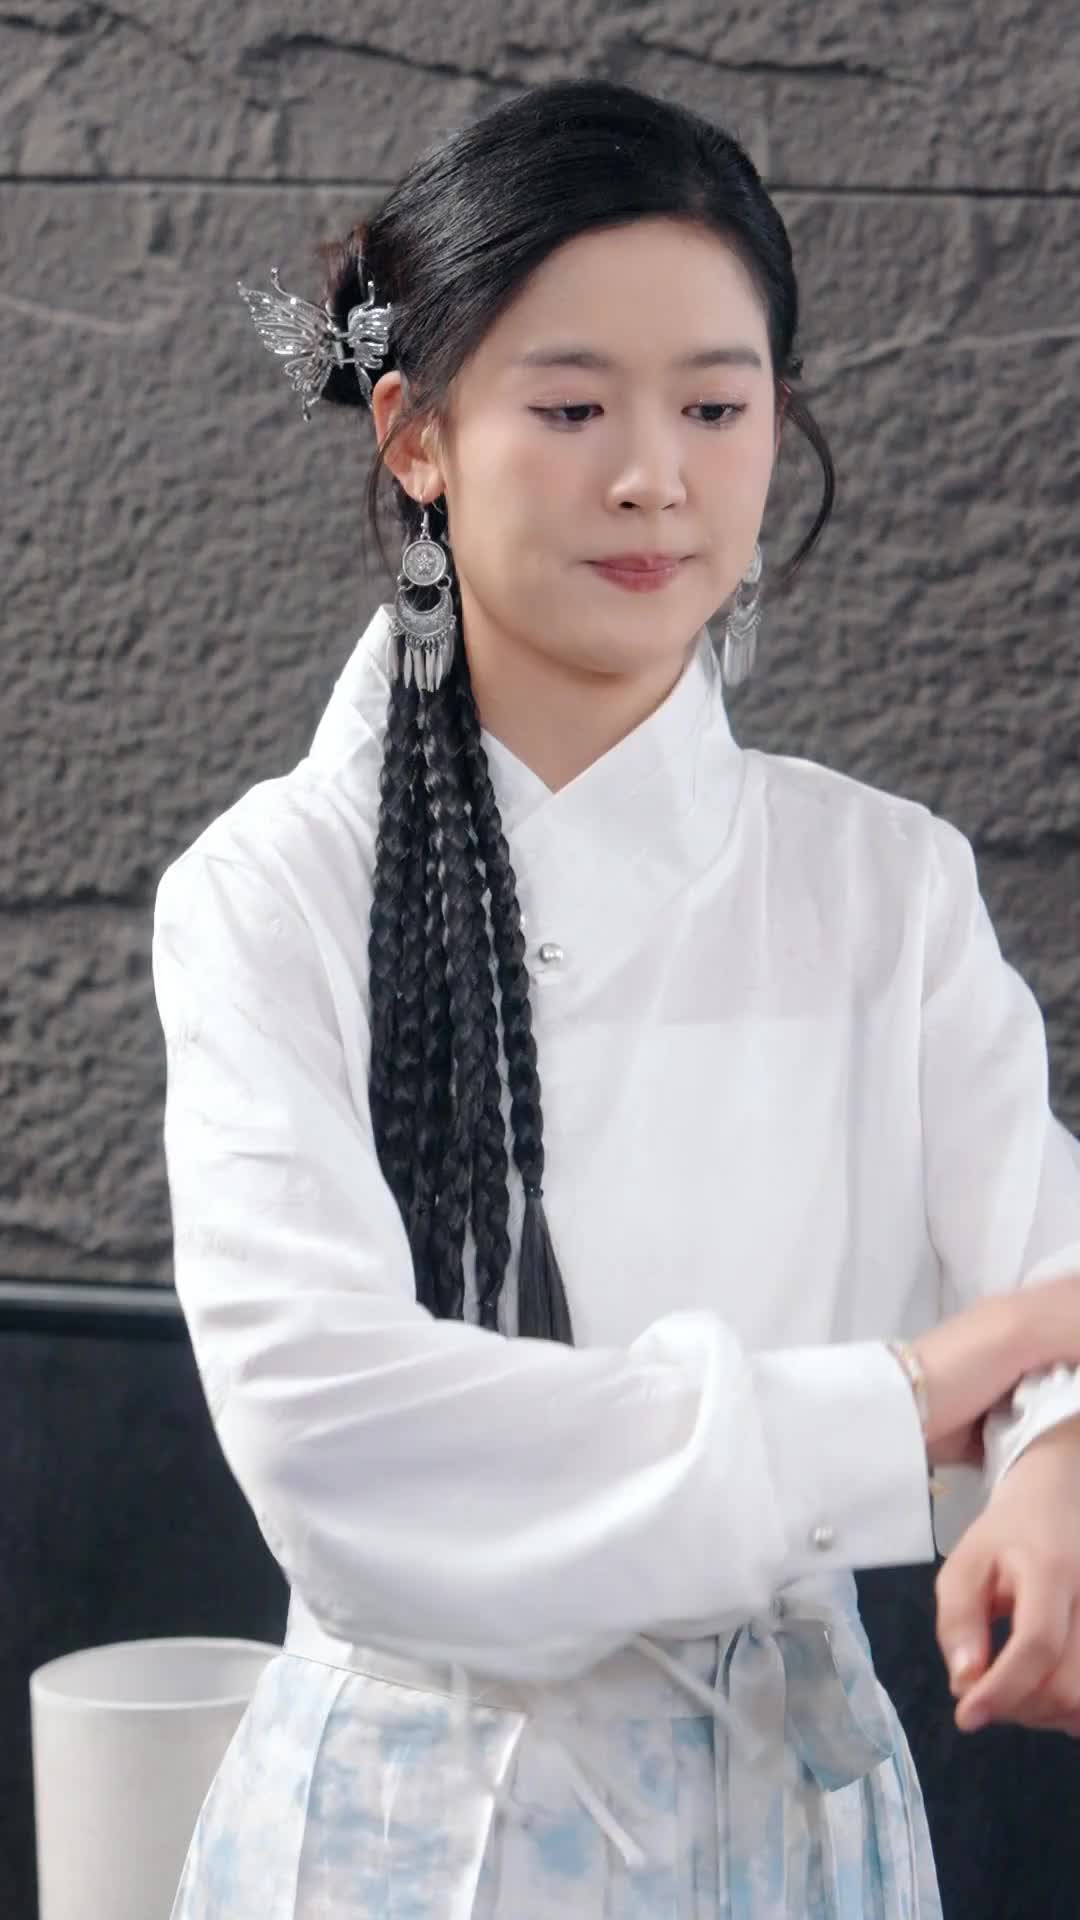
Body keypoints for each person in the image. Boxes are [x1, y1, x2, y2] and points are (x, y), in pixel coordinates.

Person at [153, 78, 1080, 1919]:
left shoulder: (883, 883)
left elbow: (1047, 1282)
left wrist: (1051, 1448)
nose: (654, 473)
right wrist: (909, 1398)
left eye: (716, 407)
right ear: (416, 433)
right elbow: (341, 1445)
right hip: (400, 1840)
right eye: (572, 408)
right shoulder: (269, 893)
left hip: (793, 1828)